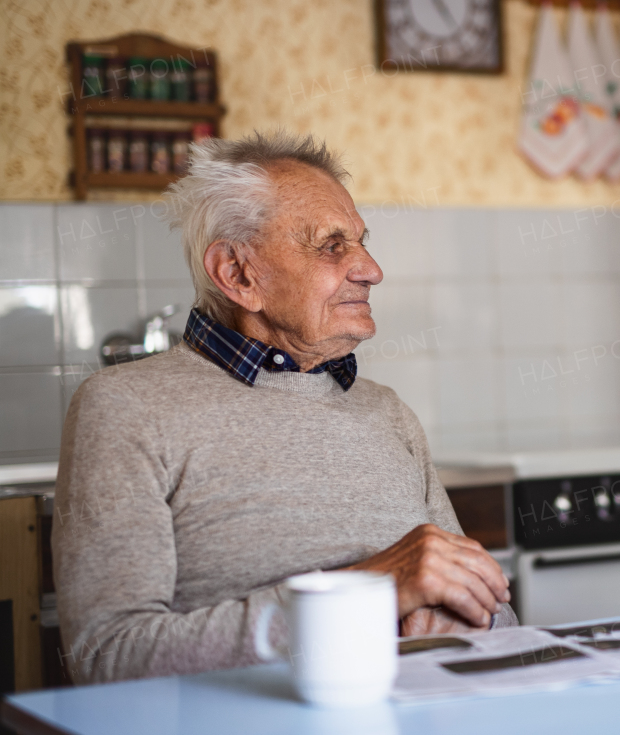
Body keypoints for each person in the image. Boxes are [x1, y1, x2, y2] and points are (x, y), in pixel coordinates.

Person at [54, 131, 516, 684]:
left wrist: (461, 619)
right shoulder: (124, 407)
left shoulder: (388, 413)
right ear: (238, 274)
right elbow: (107, 658)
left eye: (363, 242)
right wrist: (364, 595)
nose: (371, 268)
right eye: (331, 245)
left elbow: (499, 617)